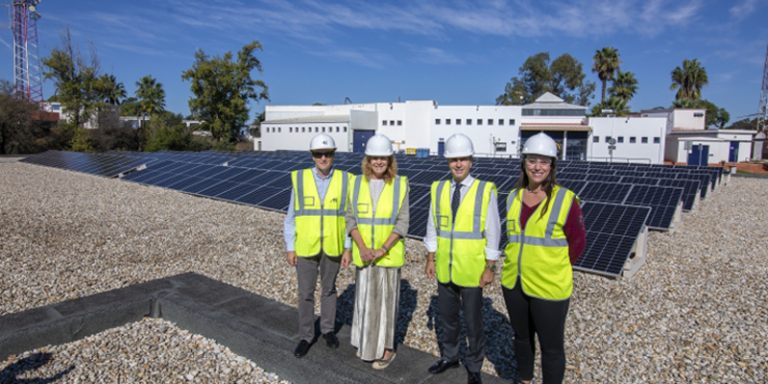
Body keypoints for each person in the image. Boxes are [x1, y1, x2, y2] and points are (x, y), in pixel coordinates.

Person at [501, 132, 586, 384]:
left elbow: (577, 243)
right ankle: (525, 380)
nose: (537, 167)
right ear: (524, 163)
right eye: (531, 160)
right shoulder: (512, 197)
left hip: (549, 286)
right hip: (514, 283)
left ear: (552, 166)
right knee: (522, 338)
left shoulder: (566, 200)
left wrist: (553, 266)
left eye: (544, 161)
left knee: (552, 348)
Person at [424, 133, 501, 384]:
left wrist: (490, 267)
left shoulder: (484, 190)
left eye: (463, 159)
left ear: (471, 161)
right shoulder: (438, 188)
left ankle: (474, 365)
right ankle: (450, 356)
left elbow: (493, 230)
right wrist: (430, 258)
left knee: (473, 321)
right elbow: (432, 227)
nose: (458, 164)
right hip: (445, 265)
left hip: (471, 268)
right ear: (447, 161)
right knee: (448, 317)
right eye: (453, 159)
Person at [343, 134, 409, 370]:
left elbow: (403, 223)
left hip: (387, 256)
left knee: (387, 305)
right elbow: (350, 218)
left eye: (384, 158)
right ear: (368, 160)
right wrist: (361, 248)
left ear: (390, 160)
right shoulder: (355, 183)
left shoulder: (400, 184)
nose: (379, 162)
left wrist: (382, 249)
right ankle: (367, 342)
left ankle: (387, 349)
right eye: (375, 158)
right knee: (365, 301)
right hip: (365, 255)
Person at [284, 133, 352, 358]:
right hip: (305, 246)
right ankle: (305, 336)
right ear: (312, 156)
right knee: (305, 293)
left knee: (329, 290)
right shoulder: (300, 179)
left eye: (328, 154)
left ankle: (327, 330)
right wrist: (290, 246)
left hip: (333, 245)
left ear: (334, 155)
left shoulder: (345, 179)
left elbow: (349, 217)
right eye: (319, 154)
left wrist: (348, 247)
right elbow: (291, 216)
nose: (323, 158)